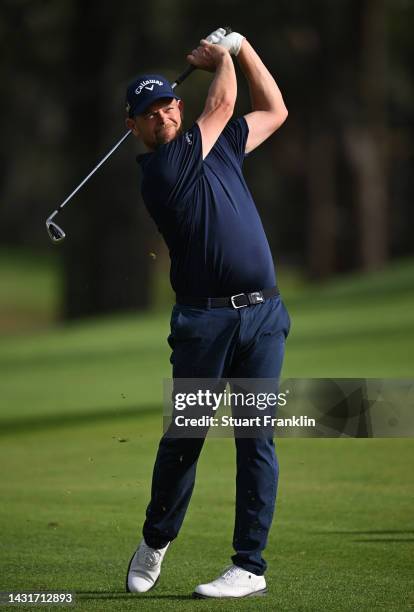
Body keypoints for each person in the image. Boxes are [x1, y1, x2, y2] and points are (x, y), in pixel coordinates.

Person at [124, 28, 290, 599]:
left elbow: (274, 108)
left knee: (256, 439)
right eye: (148, 112)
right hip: (204, 324)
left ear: (178, 104)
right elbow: (221, 102)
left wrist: (246, 52)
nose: (162, 114)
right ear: (136, 127)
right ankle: (156, 539)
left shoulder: (216, 147)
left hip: (263, 318)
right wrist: (224, 56)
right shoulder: (163, 173)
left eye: (167, 103)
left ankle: (249, 566)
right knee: (186, 437)